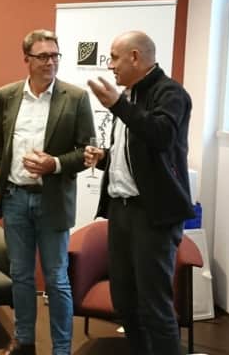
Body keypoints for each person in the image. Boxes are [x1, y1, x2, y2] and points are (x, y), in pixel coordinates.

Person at [84, 31, 195, 355]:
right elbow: (135, 156)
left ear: (135, 57)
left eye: (114, 57)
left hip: (153, 214)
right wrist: (105, 158)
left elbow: (161, 135)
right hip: (121, 211)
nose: (110, 65)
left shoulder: (170, 93)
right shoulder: (129, 97)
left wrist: (117, 105)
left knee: (154, 305)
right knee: (125, 301)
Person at [0, 29, 95, 355]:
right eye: (43, 56)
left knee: (56, 279)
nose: (50, 62)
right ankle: (24, 341)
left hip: (53, 200)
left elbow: (88, 151)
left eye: (55, 55)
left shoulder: (75, 98)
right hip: (15, 199)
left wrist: (55, 165)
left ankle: (61, 349)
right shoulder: (6, 96)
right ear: (27, 59)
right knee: (21, 275)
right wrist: (9, 174)